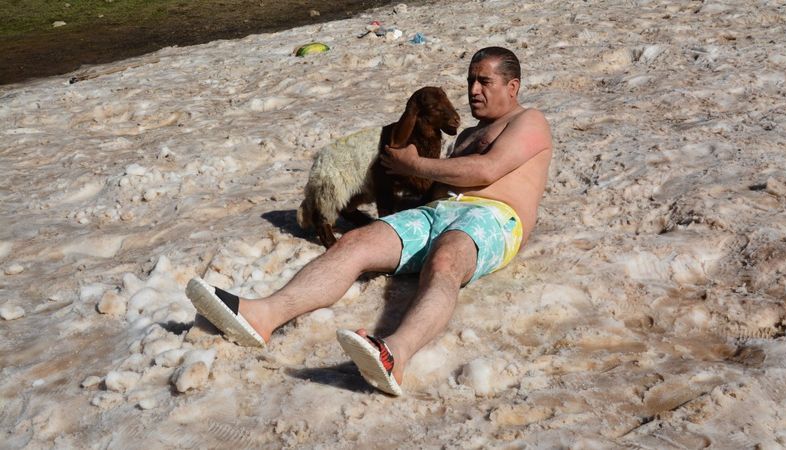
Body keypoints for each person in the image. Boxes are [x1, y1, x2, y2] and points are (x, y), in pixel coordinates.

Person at [186, 46, 553, 396]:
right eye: (470, 80)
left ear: (512, 86)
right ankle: (263, 315)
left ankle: (394, 354)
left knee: (445, 261)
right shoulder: (470, 135)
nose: (473, 90)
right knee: (355, 243)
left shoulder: (529, 120)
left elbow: (487, 169)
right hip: (437, 213)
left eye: (484, 82)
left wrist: (414, 164)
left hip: (493, 218)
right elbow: (437, 184)